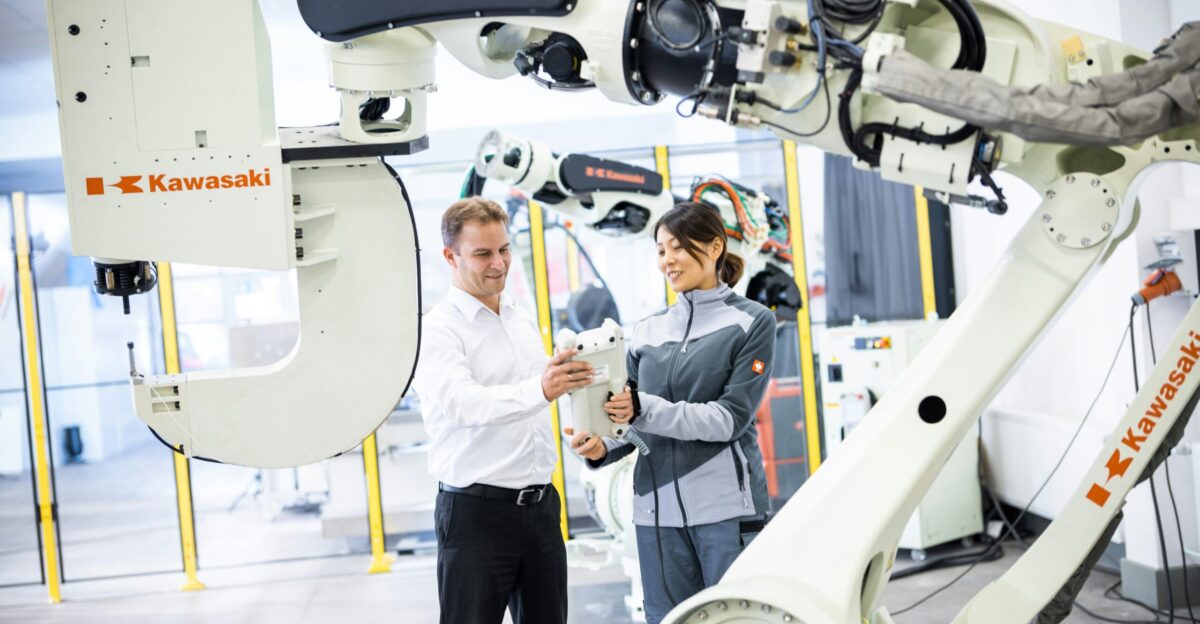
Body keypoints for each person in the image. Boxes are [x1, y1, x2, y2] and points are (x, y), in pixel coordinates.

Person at [566, 202, 775, 623]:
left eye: (678, 247)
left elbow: (728, 419)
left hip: (725, 511)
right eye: (661, 250)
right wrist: (599, 446)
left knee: (735, 618)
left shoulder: (752, 322)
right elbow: (628, 421)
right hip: (654, 514)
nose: (668, 260)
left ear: (715, 247)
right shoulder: (645, 331)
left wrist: (644, 407)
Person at [413, 197, 595, 624]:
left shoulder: (518, 317)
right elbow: (463, 403)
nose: (499, 264)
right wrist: (541, 388)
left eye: (504, 249)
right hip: (476, 516)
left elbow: (537, 400)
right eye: (482, 254)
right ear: (449, 256)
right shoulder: (438, 329)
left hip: (541, 509)